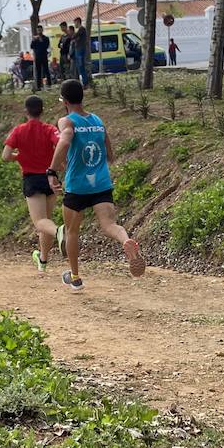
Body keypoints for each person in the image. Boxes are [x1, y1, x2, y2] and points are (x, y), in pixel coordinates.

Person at [46, 79, 145, 291]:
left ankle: (75, 277)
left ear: (64, 100)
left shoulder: (66, 121)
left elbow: (64, 141)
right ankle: (126, 241)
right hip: (101, 183)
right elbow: (109, 153)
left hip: (77, 186)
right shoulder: (98, 120)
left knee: (72, 231)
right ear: (83, 96)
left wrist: (52, 170)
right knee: (109, 225)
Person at [2, 95, 61, 272]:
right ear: (42, 110)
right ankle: (43, 261)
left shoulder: (19, 131)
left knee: (40, 222)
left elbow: (5, 156)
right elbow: (61, 146)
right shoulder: (49, 129)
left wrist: (19, 156)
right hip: (50, 177)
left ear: (26, 111)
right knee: (46, 223)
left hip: (32, 179)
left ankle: (60, 232)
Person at [29, 24, 51, 91]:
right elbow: (32, 46)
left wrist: (41, 40)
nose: (39, 31)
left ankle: (49, 84)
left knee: (46, 70)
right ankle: (39, 86)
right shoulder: (35, 39)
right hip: (37, 57)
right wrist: (33, 40)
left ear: (42, 30)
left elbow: (46, 46)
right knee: (38, 72)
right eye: (38, 30)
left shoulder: (46, 38)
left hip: (44, 56)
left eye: (40, 29)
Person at [71, 18, 90, 85]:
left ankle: (85, 82)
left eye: (75, 23)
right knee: (79, 67)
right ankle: (83, 82)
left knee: (81, 66)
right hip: (78, 49)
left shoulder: (81, 29)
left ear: (78, 22)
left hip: (80, 49)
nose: (74, 24)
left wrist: (73, 37)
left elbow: (74, 36)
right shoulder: (80, 30)